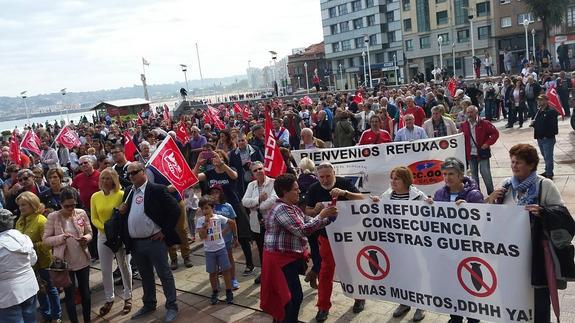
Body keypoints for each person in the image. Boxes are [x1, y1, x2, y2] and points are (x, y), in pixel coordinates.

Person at [486, 144, 566, 322]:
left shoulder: (545, 185)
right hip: (510, 256)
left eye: (519, 162)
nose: (514, 166)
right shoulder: (506, 185)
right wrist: (490, 200)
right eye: (512, 162)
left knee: (539, 299)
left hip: (536, 254)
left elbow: (562, 215)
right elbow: (492, 218)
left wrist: (543, 212)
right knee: (512, 297)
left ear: (531, 165)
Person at [260, 173, 338, 323]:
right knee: (292, 297)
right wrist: (322, 215)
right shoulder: (282, 209)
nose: (299, 191)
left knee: (288, 297)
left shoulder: (291, 208)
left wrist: (328, 218)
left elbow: (307, 220)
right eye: (295, 189)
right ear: (284, 192)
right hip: (280, 261)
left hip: (286, 259)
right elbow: (302, 229)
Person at [119, 162, 180, 322]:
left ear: (143, 172)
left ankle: (172, 306)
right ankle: (149, 303)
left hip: (154, 241)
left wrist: (164, 231)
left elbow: (175, 209)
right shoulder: (128, 192)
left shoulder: (157, 189)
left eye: (134, 172)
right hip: (136, 243)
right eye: (129, 174)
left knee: (164, 274)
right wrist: (121, 212)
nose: (131, 176)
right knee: (145, 275)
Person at [305, 162, 366, 321]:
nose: (325, 180)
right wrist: (316, 210)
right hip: (326, 237)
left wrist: (345, 193)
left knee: (352, 268)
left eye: (328, 176)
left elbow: (362, 199)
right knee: (325, 272)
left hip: (348, 235)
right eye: (321, 177)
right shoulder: (314, 189)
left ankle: (359, 297)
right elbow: (308, 211)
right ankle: (323, 307)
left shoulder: (343, 183)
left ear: (334, 173)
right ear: (317, 176)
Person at [370, 167, 428, 321]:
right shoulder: (386, 196)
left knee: (416, 273)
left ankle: (420, 305)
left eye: (397, 178)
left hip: (415, 244)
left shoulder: (418, 196)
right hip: (395, 244)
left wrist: (431, 204)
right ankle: (404, 302)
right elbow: (380, 219)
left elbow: (428, 219)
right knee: (400, 273)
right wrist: (377, 205)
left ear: (406, 180)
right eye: (392, 178)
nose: (393, 181)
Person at [431, 157, 483, 323]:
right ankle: (455, 316)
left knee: (469, 285)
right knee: (452, 285)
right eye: (444, 174)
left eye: (451, 174)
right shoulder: (439, 194)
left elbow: (482, 223)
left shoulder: (473, 195)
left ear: (461, 175)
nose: (447, 178)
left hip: (467, 250)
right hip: (447, 251)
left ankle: (473, 318)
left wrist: (468, 211)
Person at [194, 149, 255, 276]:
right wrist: (198, 164)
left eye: (219, 156)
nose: (215, 159)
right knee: (221, 237)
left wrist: (222, 164)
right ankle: (225, 266)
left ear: (224, 158)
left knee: (242, 236)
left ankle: (249, 264)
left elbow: (234, 176)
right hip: (217, 209)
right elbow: (193, 178)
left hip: (233, 206)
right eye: (214, 157)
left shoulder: (230, 168)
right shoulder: (209, 173)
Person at [43, 187, 93, 323]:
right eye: (67, 206)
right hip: (65, 263)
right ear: (60, 204)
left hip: (82, 259)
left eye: (73, 205)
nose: (70, 208)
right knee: (70, 297)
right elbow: (46, 240)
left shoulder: (81, 213)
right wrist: (61, 238)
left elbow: (89, 232)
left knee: (86, 294)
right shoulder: (53, 217)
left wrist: (86, 238)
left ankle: (87, 320)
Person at [90, 168, 132, 316]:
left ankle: (128, 296)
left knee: (124, 266)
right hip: (103, 236)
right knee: (106, 269)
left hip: (119, 236)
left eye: (108, 178)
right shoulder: (95, 196)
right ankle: (109, 298)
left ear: (114, 180)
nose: (105, 181)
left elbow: (125, 216)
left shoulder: (122, 195)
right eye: (103, 178)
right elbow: (94, 218)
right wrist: (105, 229)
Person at [15, 192, 62, 322]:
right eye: (19, 206)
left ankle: (56, 315)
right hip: (28, 263)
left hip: (44, 262)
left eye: (24, 205)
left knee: (50, 288)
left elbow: (48, 243)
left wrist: (31, 246)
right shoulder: (20, 220)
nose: (21, 208)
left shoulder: (41, 220)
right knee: (38, 290)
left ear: (32, 205)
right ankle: (46, 314)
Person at [197, 196, 238, 305]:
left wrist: (234, 236)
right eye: (202, 209)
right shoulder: (200, 221)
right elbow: (202, 236)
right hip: (209, 251)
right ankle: (214, 291)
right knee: (212, 272)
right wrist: (205, 225)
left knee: (226, 270)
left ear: (212, 208)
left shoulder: (218, 217)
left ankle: (229, 292)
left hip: (221, 248)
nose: (205, 211)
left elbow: (232, 222)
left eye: (207, 208)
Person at [0, 209, 39, 322]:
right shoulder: (21, 237)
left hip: (7, 294)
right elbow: (33, 260)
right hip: (29, 286)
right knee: (31, 320)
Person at [242, 161, 277, 284]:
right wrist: (258, 199)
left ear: (264, 169)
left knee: (273, 249)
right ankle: (265, 273)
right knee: (262, 249)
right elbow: (244, 201)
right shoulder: (251, 185)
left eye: (260, 169)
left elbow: (273, 200)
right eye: (255, 170)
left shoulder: (273, 183)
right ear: (252, 173)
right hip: (256, 223)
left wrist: (257, 206)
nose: (258, 172)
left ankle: (275, 273)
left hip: (271, 222)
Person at [460, 105, 499, 194]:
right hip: (470, 153)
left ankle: (491, 193)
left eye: (471, 112)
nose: (469, 114)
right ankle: (476, 193)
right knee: (474, 175)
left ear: (476, 113)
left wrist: (487, 143)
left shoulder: (485, 123)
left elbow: (495, 133)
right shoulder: (464, 125)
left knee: (485, 173)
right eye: (468, 112)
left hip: (482, 152)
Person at [208, 184, 239, 290]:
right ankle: (216, 281)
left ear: (221, 193)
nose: (214, 195)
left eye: (216, 192)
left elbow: (233, 222)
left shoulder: (228, 206)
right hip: (214, 241)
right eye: (212, 193)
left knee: (230, 258)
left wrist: (235, 237)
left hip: (226, 239)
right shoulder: (209, 208)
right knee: (215, 261)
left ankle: (233, 278)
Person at [71, 155, 101, 261]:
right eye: (81, 164)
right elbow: (72, 190)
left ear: (92, 163)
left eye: (85, 163)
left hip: (99, 209)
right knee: (90, 232)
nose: (83, 165)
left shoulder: (100, 175)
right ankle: (94, 254)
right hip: (86, 210)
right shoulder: (78, 177)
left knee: (99, 232)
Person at [532, 94, 559, 180]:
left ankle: (549, 173)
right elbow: (539, 123)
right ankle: (548, 170)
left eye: (541, 100)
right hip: (540, 137)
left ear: (546, 101)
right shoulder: (539, 111)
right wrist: (534, 124)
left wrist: (546, 134)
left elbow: (552, 126)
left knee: (548, 156)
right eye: (538, 100)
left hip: (547, 138)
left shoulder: (551, 111)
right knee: (545, 156)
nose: (539, 102)